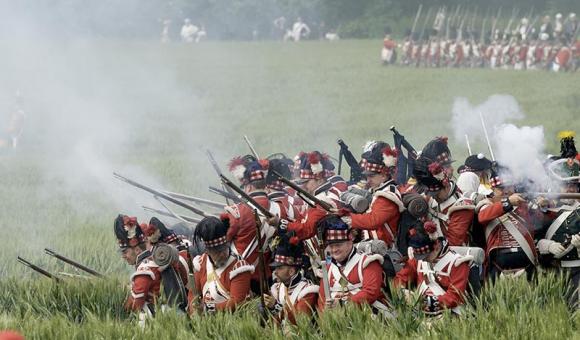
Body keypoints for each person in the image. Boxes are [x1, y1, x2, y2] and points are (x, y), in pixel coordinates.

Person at [316, 215, 391, 317]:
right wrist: (326, 320)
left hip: (370, 318)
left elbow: (370, 293)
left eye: (338, 245)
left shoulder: (367, 262)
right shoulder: (328, 269)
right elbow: (322, 300)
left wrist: (343, 306)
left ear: (350, 241)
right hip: (338, 322)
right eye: (331, 246)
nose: (334, 250)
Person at [394, 223, 471, 315]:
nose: (422, 259)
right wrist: (403, 292)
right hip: (420, 312)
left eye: (426, 256)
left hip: (448, 314)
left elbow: (455, 297)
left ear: (437, 246)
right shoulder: (418, 258)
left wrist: (427, 302)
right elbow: (400, 278)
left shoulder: (457, 263)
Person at [477, 167, 539, 281]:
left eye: (509, 186)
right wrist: (508, 203)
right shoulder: (487, 204)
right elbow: (482, 217)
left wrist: (543, 204)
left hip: (526, 261)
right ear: (493, 189)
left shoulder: (523, 205)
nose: (506, 191)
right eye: (501, 188)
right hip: (498, 266)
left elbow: (540, 222)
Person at [344, 141, 403, 247]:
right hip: (373, 244)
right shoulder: (379, 190)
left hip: (384, 248)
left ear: (384, 175)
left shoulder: (388, 196)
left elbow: (373, 221)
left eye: (371, 176)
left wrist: (349, 219)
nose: (368, 180)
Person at [191, 216, 254, 313]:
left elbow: (237, 302)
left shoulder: (239, 267)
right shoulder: (201, 262)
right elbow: (193, 293)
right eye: (216, 251)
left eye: (223, 248)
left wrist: (207, 309)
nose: (222, 254)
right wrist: (193, 312)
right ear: (207, 251)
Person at [413, 156, 475, 247]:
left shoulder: (462, 206)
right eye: (431, 194)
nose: (434, 197)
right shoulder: (430, 197)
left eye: (436, 193)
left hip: (455, 256)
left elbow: (453, 243)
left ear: (445, 185)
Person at [114, 215, 161, 324]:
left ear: (138, 250)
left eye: (125, 252)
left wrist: (121, 311)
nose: (123, 256)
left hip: (154, 320)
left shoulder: (145, 269)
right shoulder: (151, 262)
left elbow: (135, 303)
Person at [264, 234, 319, 326]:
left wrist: (277, 307)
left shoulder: (307, 291)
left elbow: (302, 321)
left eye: (279, 268)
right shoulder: (277, 289)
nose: (275, 272)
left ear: (291, 271)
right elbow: (275, 325)